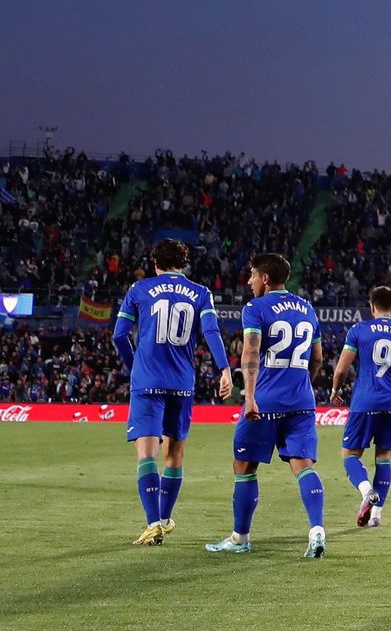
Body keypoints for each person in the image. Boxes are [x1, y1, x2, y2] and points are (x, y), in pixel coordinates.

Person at [206, 253, 328, 558]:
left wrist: (249, 396)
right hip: (302, 401)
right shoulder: (307, 308)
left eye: (251, 275)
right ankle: (317, 530)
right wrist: (301, 386)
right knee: (303, 466)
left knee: (244, 466)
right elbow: (317, 359)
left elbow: (251, 351)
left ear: (265, 278)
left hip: (265, 402)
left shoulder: (255, 308)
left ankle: (240, 538)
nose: (249, 282)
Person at [113, 239, 232, 546]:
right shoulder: (201, 293)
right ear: (184, 263)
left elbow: (119, 335)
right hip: (181, 383)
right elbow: (211, 331)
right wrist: (224, 368)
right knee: (175, 455)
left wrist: (134, 365)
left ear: (155, 263)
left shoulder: (139, 289)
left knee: (146, 454)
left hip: (147, 382)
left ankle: (153, 522)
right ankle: (165, 520)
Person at [329, 286, 391, 529]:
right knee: (384, 457)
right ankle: (376, 516)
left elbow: (341, 369)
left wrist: (335, 390)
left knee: (350, 455)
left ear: (372, 307)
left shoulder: (359, 330)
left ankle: (366, 491)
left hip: (364, 402)